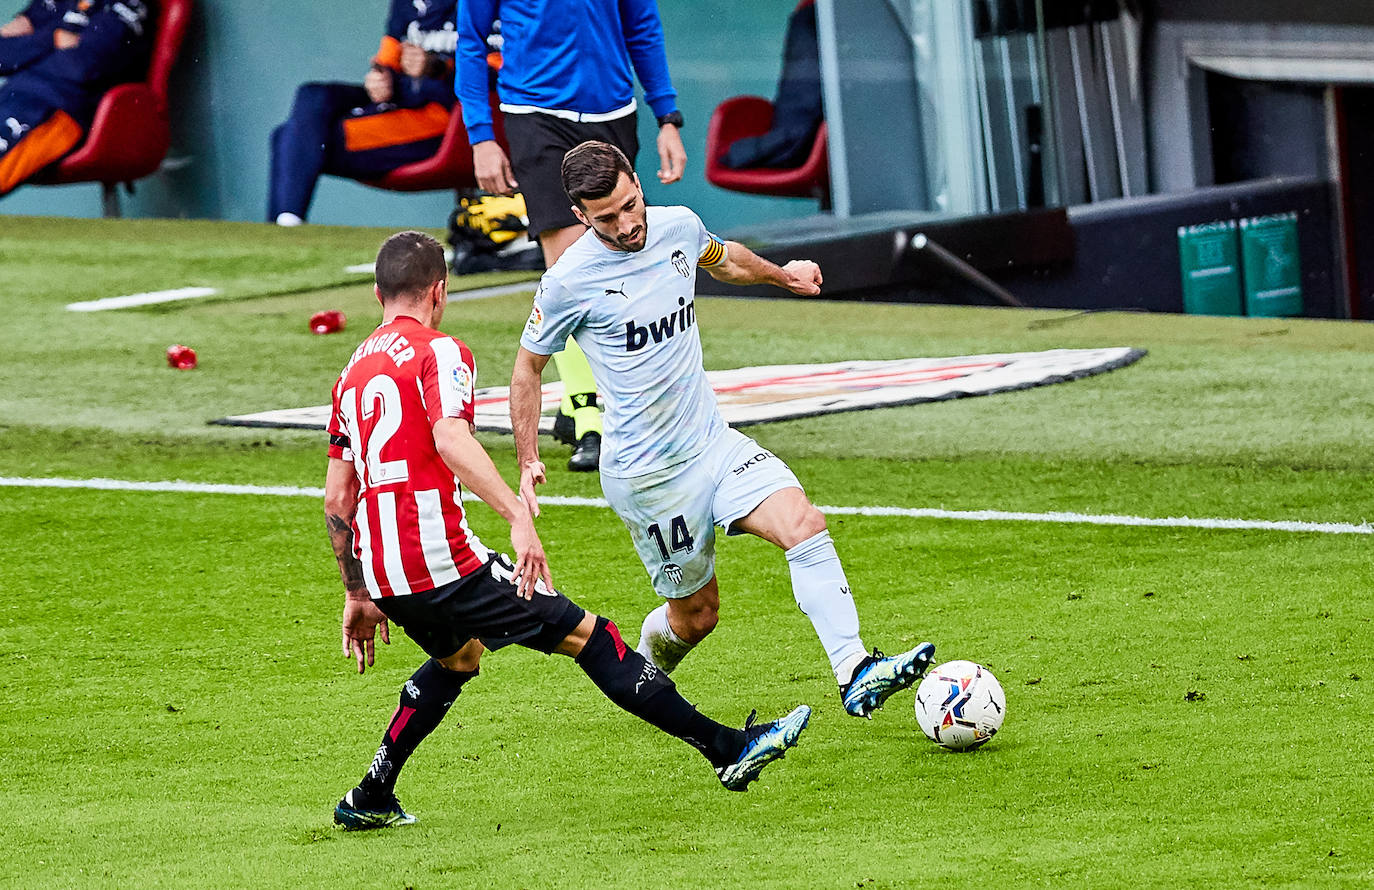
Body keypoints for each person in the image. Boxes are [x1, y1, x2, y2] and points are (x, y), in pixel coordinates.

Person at [324, 231, 809, 830]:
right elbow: (451, 439)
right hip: (441, 560)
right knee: (593, 638)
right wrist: (517, 516)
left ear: (377, 294)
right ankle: (727, 749)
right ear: (440, 292)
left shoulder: (352, 371)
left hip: (384, 570)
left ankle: (370, 794)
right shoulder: (441, 351)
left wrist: (356, 590)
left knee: (458, 659)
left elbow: (338, 494)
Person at [510, 142, 937, 720]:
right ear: (581, 216)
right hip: (649, 477)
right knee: (696, 616)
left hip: (712, 441)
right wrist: (529, 456)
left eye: (630, 205)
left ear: (637, 184)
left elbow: (725, 258)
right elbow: (527, 367)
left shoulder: (677, 225)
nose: (627, 224)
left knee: (803, 525)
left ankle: (855, 670)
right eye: (606, 218)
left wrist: (781, 276)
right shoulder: (568, 281)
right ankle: (646, 668)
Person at [455, 0, 688, 472]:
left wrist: (667, 116)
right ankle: (589, 418)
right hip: (534, 114)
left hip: (614, 113)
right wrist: (481, 135)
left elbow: (642, 26)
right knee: (569, 268)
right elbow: (471, 41)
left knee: (618, 260)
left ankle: (597, 402)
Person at [267, 0, 458, 226]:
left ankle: (285, 225)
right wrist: (379, 79)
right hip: (399, 104)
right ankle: (287, 222)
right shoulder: (406, 4)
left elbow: (497, 76)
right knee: (312, 95)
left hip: (446, 120)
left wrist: (438, 69)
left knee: (290, 138)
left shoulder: (481, 6)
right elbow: (387, 61)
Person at [0, 0, 153, 196]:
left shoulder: (128, 6)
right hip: (12, 97)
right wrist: (52, 39)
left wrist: (29, 44)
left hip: (55, 108)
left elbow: (82, 65)